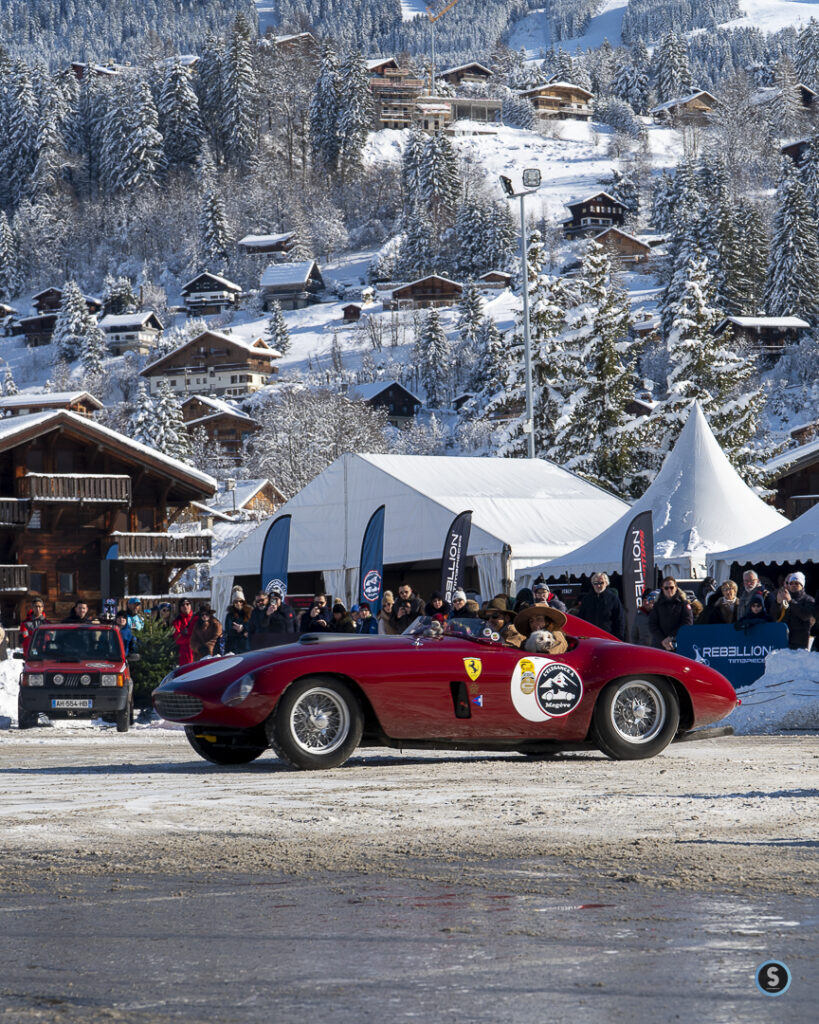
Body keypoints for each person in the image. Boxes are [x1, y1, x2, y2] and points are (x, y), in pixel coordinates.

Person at [773, 571, 815, 650]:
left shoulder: (809, 600)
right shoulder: (784, 598)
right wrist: (777, 603)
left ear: (802, 585)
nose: (793, 585)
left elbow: (805, 616)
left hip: (800, 643)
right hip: (784, 640)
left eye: (796, 583)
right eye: (791, 583)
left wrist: (790, 601)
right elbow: (774, 617)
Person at [648, 577, 694, 650]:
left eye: (671, 587)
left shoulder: (683, 604)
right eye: (666, 588)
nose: (669, 590)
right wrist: (663, 640)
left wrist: (671, 637)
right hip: (660, 645)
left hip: (679, 644)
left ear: (676, 588)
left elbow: (688, 623)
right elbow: (652, 624)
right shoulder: (657, 605)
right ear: (662, 589)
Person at [576, 573, 625, 640]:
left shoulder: (613, 598)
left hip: (608, 637)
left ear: (606, 583)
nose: (598, 585)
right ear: (592, 584)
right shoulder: (586, 599)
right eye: (595, 583)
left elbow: (619, 619)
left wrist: (619, 637)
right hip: (590, 638)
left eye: (601, 583)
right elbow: (581, 619)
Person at [172, 599, 196, 665]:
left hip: (197, 652)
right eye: (183, 605)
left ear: (191, 606)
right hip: (184, 655)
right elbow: (177, 638)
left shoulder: (197, 618)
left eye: (187, 604)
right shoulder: (177, 621)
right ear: (180, 607)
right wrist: (191, 638)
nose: (185, 606)